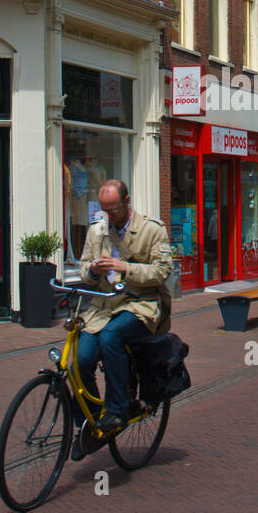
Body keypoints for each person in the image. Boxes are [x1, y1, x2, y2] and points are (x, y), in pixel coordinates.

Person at [77, 179, 173, 436]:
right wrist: (93, 270)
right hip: (103, 307)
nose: (109, 216)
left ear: (126, 202)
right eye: (104, 210)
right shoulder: (97, 231)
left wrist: (126, 268)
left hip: (139, 304)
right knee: (80, 359)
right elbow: (84, 269)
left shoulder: (152, 230)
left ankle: (118, 409)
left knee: (112, 336)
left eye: (114, 210)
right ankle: (92, 422)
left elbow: (163, 271)